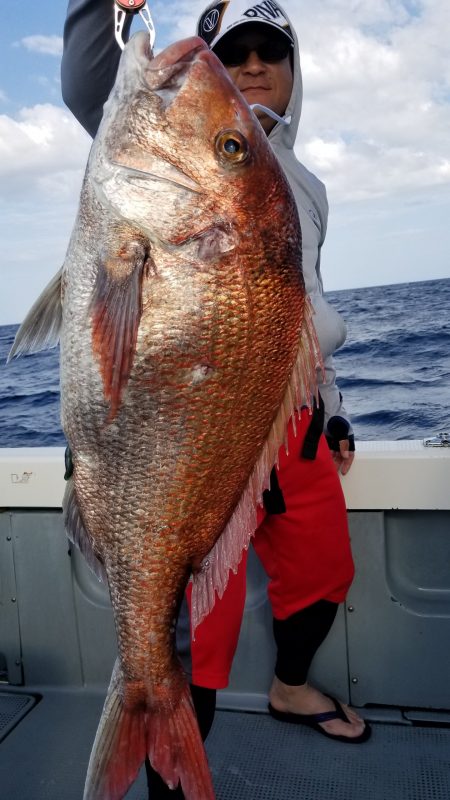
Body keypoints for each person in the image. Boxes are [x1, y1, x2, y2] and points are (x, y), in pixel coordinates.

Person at [61, 0, 370, 795]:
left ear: (296, 74)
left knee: (325, 570)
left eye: (275, 52)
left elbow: (306, 309)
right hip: (195, 430)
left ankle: (289, 685)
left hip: (289, 419)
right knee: (199, 622)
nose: (255, 64)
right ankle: (166, 744)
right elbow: (91, 80)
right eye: (238, 51)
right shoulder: (158, 147)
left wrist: (331, 406)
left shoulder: (309, 187)